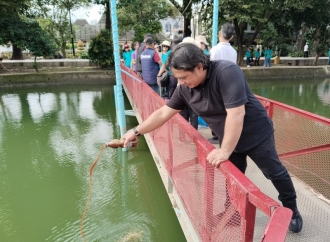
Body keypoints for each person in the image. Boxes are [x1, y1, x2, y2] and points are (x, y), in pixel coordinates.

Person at [118, 43, 303, 234]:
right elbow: (163, 113)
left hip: (256, 135)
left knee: (274, 173)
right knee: (232, 180)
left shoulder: (226, 72)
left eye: (184, 77)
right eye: (177, 78)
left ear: (199, 66)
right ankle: (233, 213)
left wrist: (224, 151)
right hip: (229, 138)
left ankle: (291, 210)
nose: (181, 82)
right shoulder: (184, 89)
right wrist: (136, 130)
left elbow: (236, 114)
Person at [210, 22, 237, 140]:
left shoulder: (214, 50)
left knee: (216, 110)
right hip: (230, 84)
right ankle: (224, 133)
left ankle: (216, 133)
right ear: (231, 37)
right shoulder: (233, 51)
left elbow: (210, 68)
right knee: (227, 111)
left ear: (219, 33)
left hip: (216, 84)